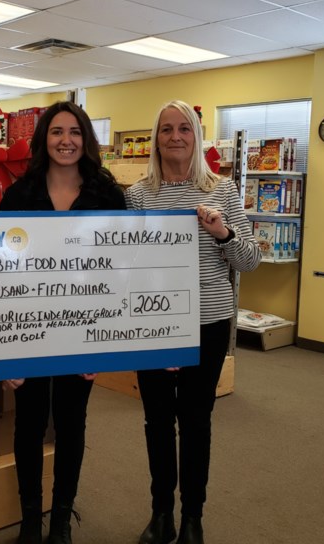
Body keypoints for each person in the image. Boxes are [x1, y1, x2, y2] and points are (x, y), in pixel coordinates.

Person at [125, 100, 261, 544]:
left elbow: (251, 260)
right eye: (166, 129)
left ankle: (192, 518)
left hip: (207, 320)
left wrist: (223, 232)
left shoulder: (222, 190)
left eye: (185, 128)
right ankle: (161, 512)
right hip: (154, 324)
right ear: (156, 138)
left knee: (197, 420)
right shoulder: (139, 195)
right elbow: (125, 262)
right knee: (158, 421)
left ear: (197, 136)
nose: (176, 137)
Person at [0, 101, 126, 544]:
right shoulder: (19, 194)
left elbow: (119, 268)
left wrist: (104, 340)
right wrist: (5, 348)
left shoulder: (108, 194)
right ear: (43, 140)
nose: (65, 140)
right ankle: (31, 518)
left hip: (84, 327)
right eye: (56, 132)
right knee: (29, 423)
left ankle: (62, 519)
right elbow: (0, 270)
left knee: (72, 422)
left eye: (74, 132)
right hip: (28, 324)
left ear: (85, 140)